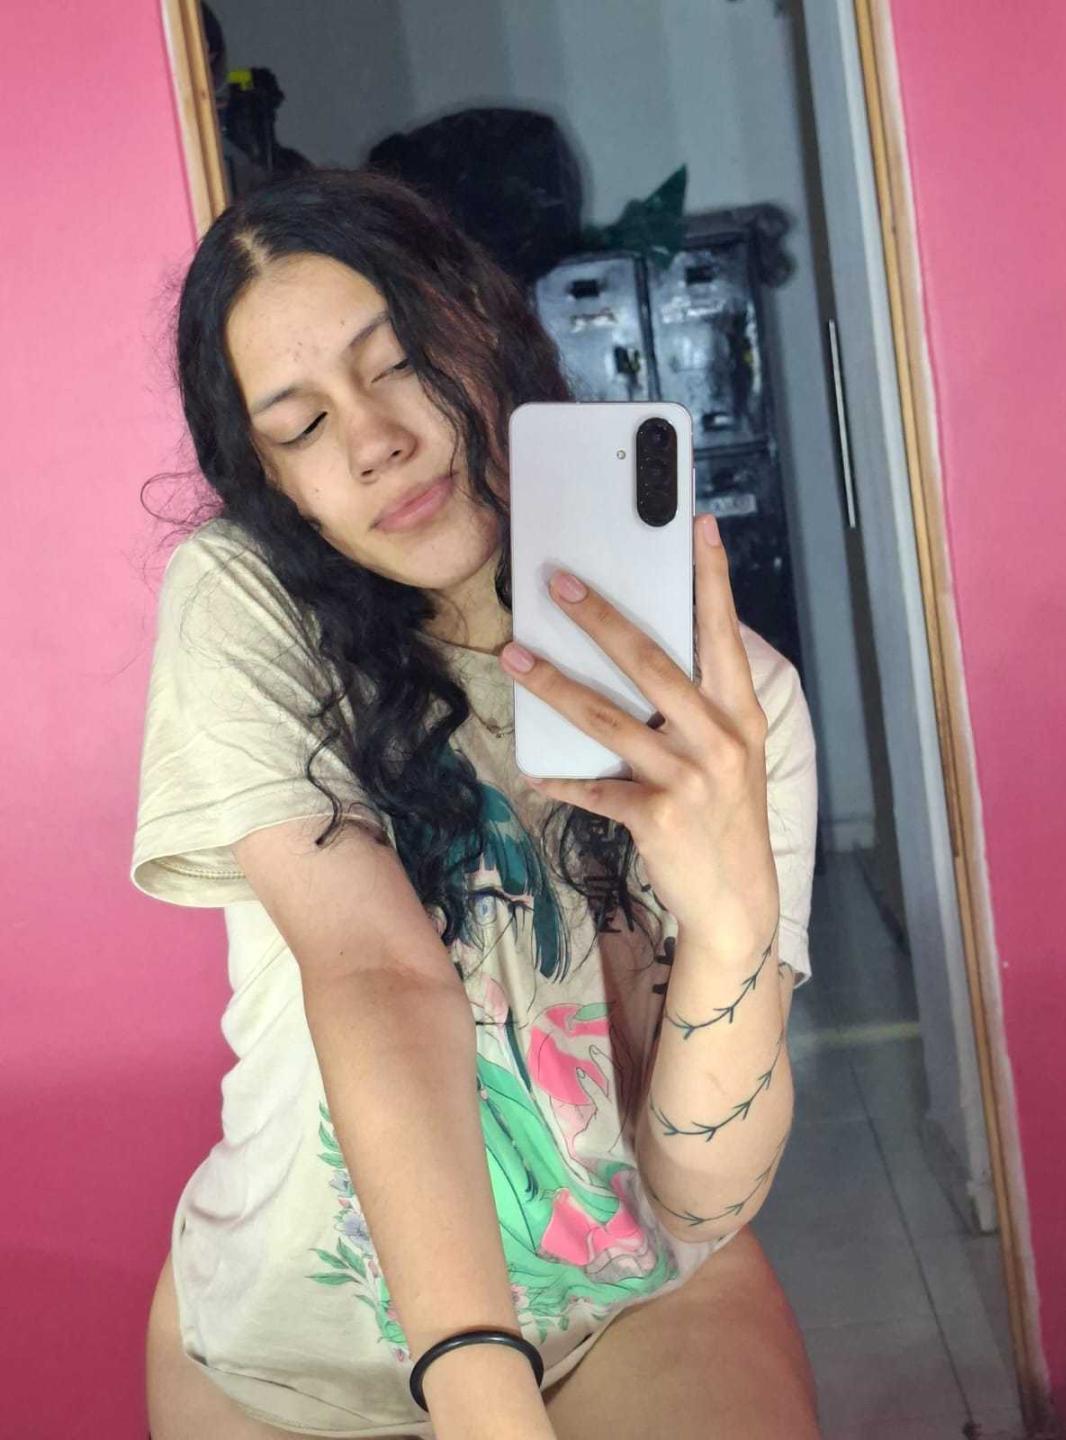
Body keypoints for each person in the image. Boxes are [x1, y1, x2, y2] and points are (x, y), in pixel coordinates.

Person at [136, 167, 821, 1440]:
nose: (374, 440)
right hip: (283, 1359)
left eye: (397, 361)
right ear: (273, 481)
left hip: (625, 1304)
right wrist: (477, 1389)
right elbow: (376, 974)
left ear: (483, 326)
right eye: (301, 425)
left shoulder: (740, 709)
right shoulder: (246, 606)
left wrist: (732, 928)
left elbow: (698, 1196)